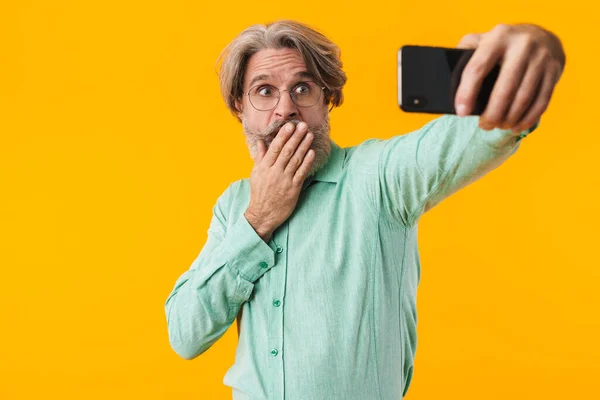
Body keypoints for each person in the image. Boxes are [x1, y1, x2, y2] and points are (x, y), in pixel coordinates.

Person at [164, 20, 565, 400]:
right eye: (264, 91)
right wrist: (259, 219)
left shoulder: (378, 177)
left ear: (328, 101)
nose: (284, 109)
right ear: (240, 108)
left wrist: (535, 52)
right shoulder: (234, 206)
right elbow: (185, 334)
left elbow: (484, 132)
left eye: (302, 88)